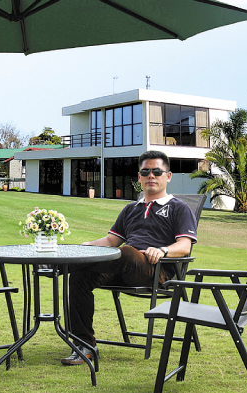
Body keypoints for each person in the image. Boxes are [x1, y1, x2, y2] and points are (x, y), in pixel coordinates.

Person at [61, 150, 198, 365]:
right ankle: (85, 345)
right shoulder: (130, 209)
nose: (151, 176)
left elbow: (184, 246)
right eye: (146, 172)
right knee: (80, 276)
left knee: (126, 252)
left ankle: (61, 267)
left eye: (156, 171)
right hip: (123, 269)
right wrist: (84, 248)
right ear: (139, 176)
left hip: (157, 272)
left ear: (168, 176)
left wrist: (162, 250)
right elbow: (110, 242)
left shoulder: (179, 208)